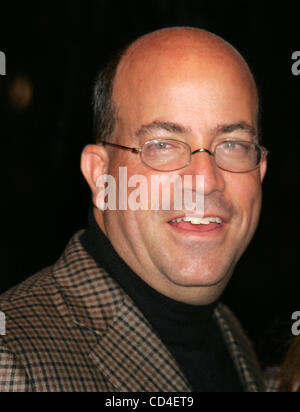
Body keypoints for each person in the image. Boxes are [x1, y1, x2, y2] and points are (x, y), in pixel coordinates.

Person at [0, 27, 268, 392]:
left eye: (233, 145)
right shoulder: (11, 360)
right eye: (162, 145)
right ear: (100, 176)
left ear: (260, 171)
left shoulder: (232, 337)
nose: (205, 180)